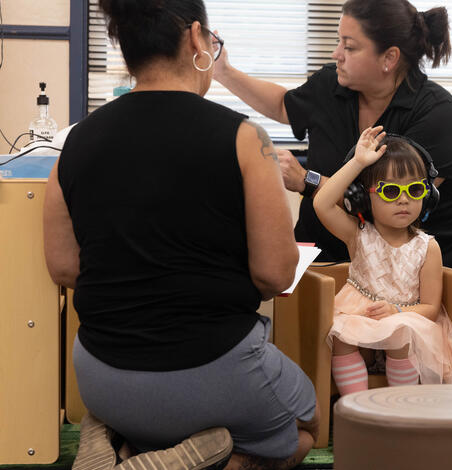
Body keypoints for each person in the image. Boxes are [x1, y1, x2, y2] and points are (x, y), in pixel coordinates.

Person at [43, 1, 319, 469]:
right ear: (197, 38)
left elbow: (65, 268)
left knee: (148, 419)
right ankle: (196, 459)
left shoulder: (75, 143)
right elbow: (274, 274)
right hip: (215, 370)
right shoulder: (246, 140)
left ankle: (122, 444)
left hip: (102, 376)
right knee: (304, 431)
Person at [213, 0, 452, 271]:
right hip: (319, 258)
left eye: (349, 47)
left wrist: (305, 180)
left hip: (411, 274)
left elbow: (388, 202)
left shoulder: (439, 114)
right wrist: (223, 72)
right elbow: (283, 105)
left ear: (389, 58)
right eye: (339, 42)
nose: (337, 54)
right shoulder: (331, 84)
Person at [313, 127, 452, 394]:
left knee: (399, 331)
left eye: (415, 189)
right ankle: (357, 408)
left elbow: (430, 307)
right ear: (361, 197)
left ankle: (398, 407)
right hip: (360, 317)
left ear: (427, 196)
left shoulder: (427, 247)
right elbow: (322, 203)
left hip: (406, 321)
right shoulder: (357, 235)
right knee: (341, 333)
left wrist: (397, 312)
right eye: (390, 191)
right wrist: (357, 162)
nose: (404, 199)